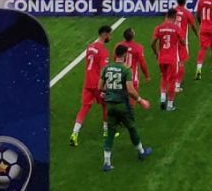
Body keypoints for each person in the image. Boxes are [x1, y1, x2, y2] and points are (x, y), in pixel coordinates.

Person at [98, 44, 152, 172]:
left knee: (110, 132)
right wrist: (141, 100)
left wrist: (109, 91)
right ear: (125, 55)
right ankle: (141, 152)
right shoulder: (126, 70)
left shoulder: (106, 68)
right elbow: (130, 90)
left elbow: (99, 86)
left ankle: (107, 162)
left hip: (110, 105)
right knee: (131, 127)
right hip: (122, 105)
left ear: (115, 54)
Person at [70, 25, 112, 146]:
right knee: (106, 105)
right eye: (110, 34)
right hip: (98, 83)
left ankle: (74, 133)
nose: (110, 37)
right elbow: (104, 69)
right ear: (105, 34)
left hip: (87, 82)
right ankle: (106, 131)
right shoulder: (103, 51)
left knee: (84, 108)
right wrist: (106, 85)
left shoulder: (90, 47)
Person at [151, 11, 182, 112]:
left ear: (166, 16)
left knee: (163, 77)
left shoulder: (159, 27)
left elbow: (152, 43)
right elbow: (182, 41)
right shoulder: (176, 28)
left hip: (162, 57)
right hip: (172, 58)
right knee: (172, 81)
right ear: (174, 17)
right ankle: (170, 105)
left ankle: (163, 97)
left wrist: (156, 53)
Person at [171, 0, 197, 95]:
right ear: (185, 2)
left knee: (174, 60)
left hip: (172, 38)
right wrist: (197, 34)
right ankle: (177, 85)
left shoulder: (172, 11)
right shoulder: (187, 13)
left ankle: (170, 79)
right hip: (181, 40)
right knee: (181, 62)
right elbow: (193, 25)